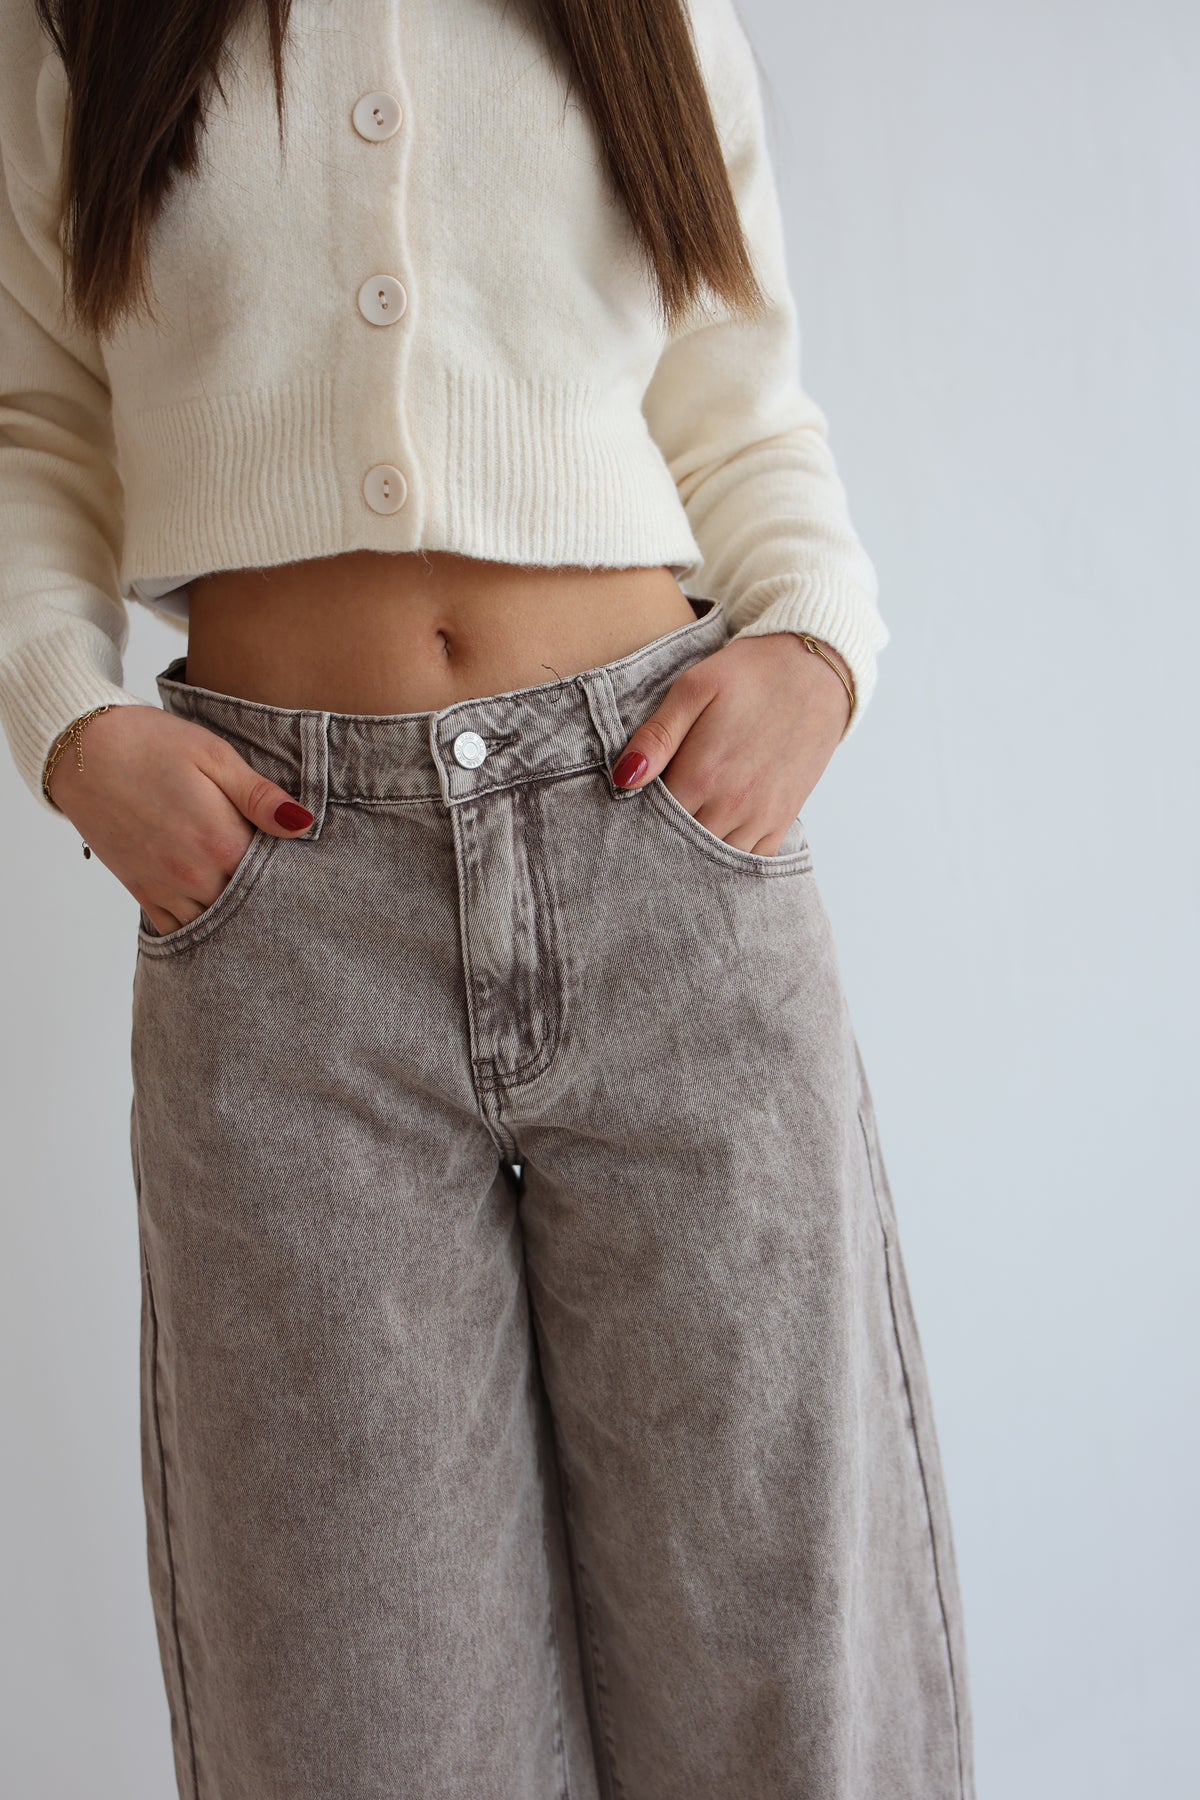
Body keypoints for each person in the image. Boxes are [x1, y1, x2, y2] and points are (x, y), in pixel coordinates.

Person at [0, 0, 977, 1794]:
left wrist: (818, 649)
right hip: (284, 915)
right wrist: (71, 727)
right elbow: (34, 426)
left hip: (663, 852)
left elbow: (739, 402)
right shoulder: (76, 23)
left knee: (782, 1670)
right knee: (353, 1715)